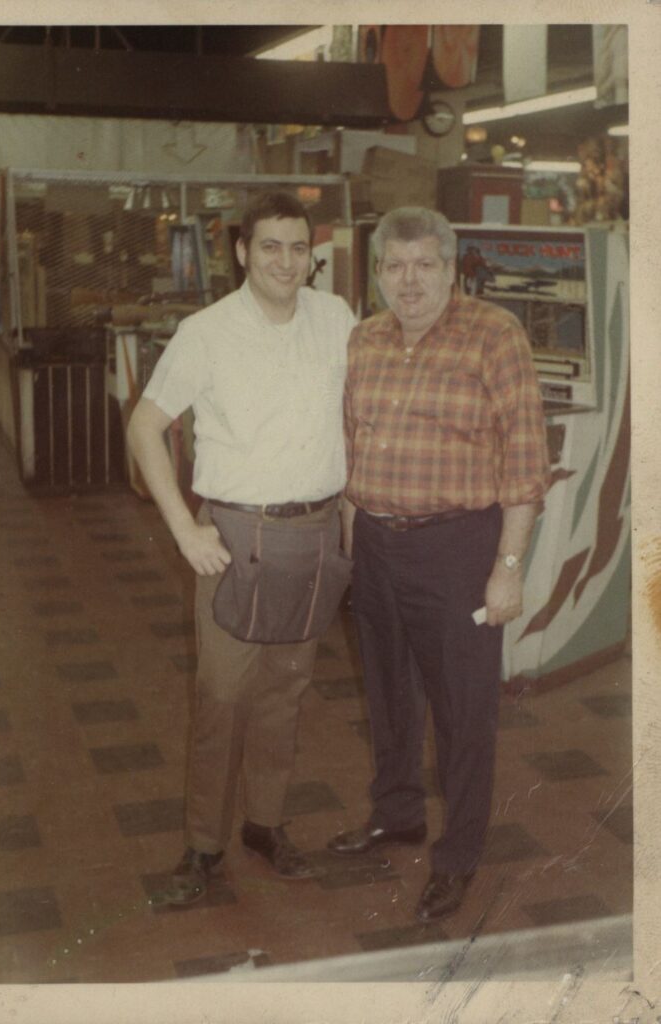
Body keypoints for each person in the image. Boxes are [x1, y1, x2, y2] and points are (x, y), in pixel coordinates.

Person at [127, 190, 355, 905]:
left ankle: (265, 824)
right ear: (240, 253)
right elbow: (144, 426)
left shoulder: (338, 317)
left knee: (285, 694)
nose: (286, 262)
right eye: (270, 247)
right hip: (233, 538)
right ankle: (202, 846)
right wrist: (183, 528)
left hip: (314, 537)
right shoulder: (206, 332)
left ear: (311, 256)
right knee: (222, 697)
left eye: (297, 248)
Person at [328, 207, 550, 923]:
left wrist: (507, 565)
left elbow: (524, 462)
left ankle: (458, 854)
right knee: (389, 695)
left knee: (463, 710)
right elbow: (353, 443)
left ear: (451, 269)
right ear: (380, 274)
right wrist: (353, 538)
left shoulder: (495, 335)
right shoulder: (364, 340)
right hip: (378, 546)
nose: (410, 281)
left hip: (459, 547)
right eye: (396, 266)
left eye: (425, 265)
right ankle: (397, 815)